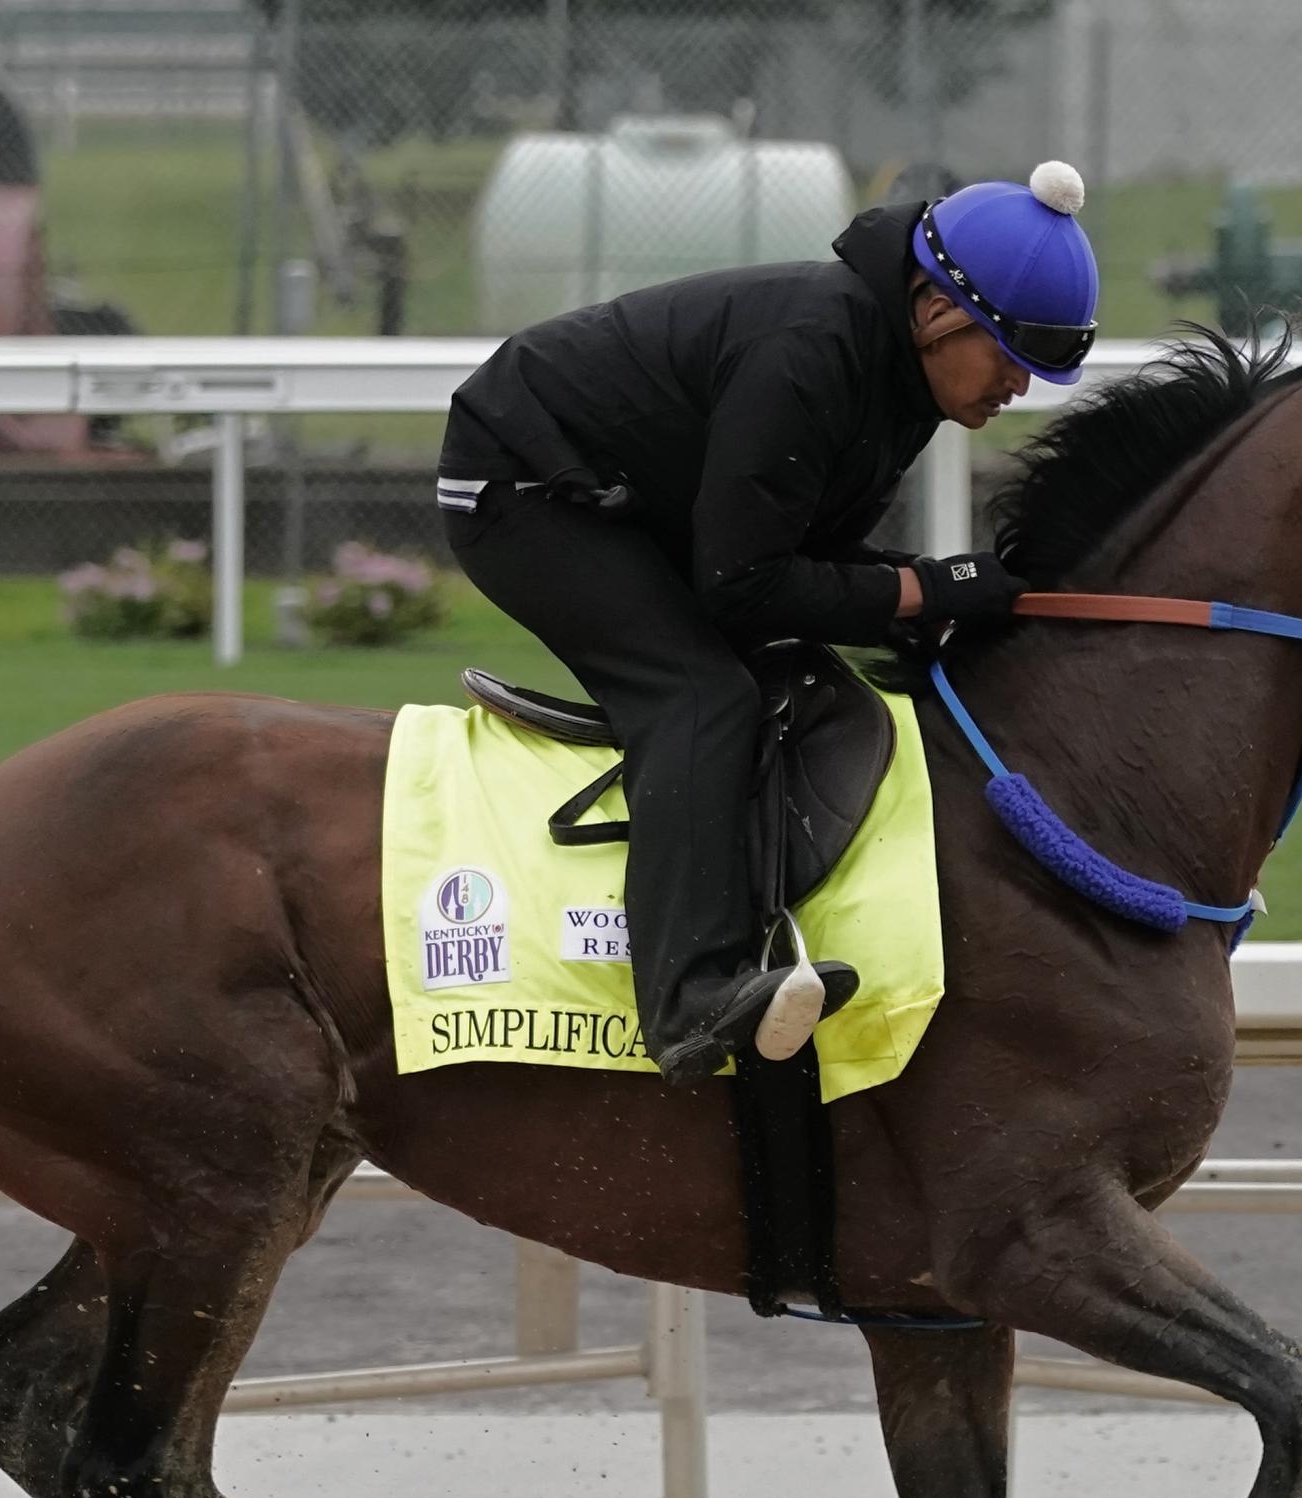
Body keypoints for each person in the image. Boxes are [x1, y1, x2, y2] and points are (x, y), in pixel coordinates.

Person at [438, 162, 1100, 1085]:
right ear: (943, 311)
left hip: (624, 492)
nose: (1021, 386)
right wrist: (926, 590)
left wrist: (937, 590)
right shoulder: (814, 352)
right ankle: (689, 997)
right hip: (523, 484)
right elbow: (743, 589)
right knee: (701, 695)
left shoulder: (898, 376)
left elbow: (803, 564)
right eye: (1013, 354)